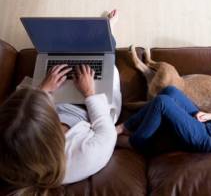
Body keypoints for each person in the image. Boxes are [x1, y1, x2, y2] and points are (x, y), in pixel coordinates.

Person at [0, 10, 121, 196]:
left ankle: (88, 37)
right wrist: (89, 92)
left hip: (58, 100)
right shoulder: (86, 155)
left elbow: (21, 115)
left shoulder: (10, 149)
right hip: (89, 111)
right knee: (104, 59)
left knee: (57, 60)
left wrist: (43, 90)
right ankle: (105, 34)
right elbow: (106, 127)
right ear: (52, 133)